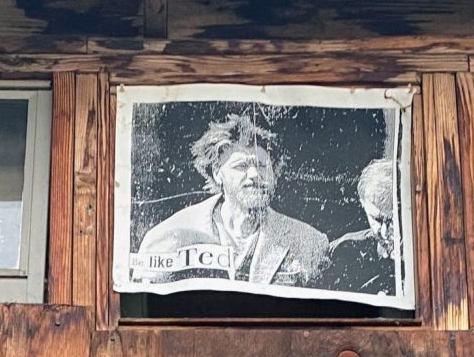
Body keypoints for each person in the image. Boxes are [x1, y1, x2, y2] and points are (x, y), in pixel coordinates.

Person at [134, 114, 329, 286]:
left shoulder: (308, 241)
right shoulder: (169, 236)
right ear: (217, 173)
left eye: (261, 165)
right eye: (241, 166)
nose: (254, 174)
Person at [323, 158, 398, 295]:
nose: (384, 231)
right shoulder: (344, 250)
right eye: (377, 220)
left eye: (393, 221)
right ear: (364, 206)